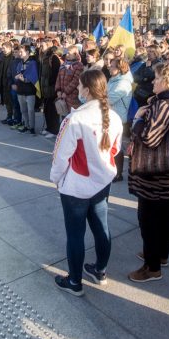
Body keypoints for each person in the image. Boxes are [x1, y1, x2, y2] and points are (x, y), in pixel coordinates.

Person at [50, 70, 123, 295]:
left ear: (87, 90)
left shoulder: (76, 119)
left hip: (76, 186)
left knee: (75, 234)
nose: (79, 90)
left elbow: (61, 155)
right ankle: (100, 271)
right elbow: (115, 149)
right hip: (102, 183)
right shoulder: (115, 117)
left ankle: (75, 281)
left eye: (81, 86)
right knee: (102, 227)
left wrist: (55, 178)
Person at [127, 63, 169, 283]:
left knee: (149, 219)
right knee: (163, 216)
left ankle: (151, 267)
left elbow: (149, 138)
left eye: (157, 79)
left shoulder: (164, 105)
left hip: (155, 171)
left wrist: (137, 120)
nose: (153, 82)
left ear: (167, 81)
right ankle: (160, 255)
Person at [107, 57, 133, 181]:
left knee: (116, 146)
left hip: (118, 118)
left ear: (120, 69)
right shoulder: (113, 80)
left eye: (112, 66)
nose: (109, 67)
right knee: (110, 144)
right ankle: (111, 170)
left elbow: (109, 99)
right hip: (111, 115)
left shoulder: (123, 83)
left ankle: (118, 173)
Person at [12, 45, 39, 134]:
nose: (20, 53)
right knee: (23, 110)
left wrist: (25, 79)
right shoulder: (20, 63)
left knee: (30, 110)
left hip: (30, 90)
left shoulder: (32, 63)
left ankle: (32, 127)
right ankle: (26, 125)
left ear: (27, 52)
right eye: (19, 52)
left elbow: (33, 76)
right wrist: (17, 78)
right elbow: (17, 74)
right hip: (20, 90)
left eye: (21, 52)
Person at [55, 46, 85, 118]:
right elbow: (58, 78)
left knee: (71, 118)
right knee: (64, 118)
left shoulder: (79, 65)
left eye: (69, 53)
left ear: (75, 54)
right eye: (66, 53)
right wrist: (58, 90)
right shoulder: (63, 64)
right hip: (62, 96)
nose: (66, 55)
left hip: (72, 97)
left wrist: (66, 92)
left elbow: (76, 81)